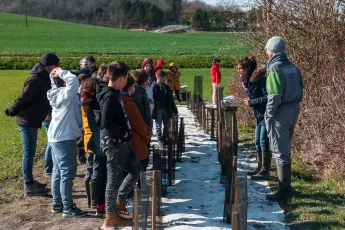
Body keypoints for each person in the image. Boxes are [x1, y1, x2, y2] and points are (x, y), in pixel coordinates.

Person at [5, 52, 59, 196]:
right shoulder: (35, 79)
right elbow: (23, 98)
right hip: (27, 121)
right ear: (48, 66)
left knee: (31, 153)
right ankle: (29, 186)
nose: (56, 69)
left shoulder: (43, 77)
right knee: (28, 154)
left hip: (33, 120)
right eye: (54, 66)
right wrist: (11, 110)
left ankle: (31, 182)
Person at [97, 62, 143, 229]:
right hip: (114, 143)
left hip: (122, 143)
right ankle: (110, 217)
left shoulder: (113, 92)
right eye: (126, 77)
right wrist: (122, 132)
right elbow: (106, 122)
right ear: (121, 78)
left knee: (136, 169)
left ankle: (120, 203)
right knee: (114, 180)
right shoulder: (109, 96)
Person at [264, 36, 303, 202]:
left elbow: (274, 95)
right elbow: (301, 89)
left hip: (280, 111)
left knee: (280, 150)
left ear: (271, 50)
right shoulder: (293, 67)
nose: (266, 52)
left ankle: (284, 189)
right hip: (293, 108)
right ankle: (286, 186)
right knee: (286, 147)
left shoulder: (274, 67)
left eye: (266, 49)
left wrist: (269, 113)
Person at [47, 67, 87, 217]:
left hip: (55, 137)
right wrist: (62, 72)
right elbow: (73, 81)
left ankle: (58, 204)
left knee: (58, 172)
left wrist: (56, 76)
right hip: (64, 138)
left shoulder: (56, 92)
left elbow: (70, 83)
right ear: (64, 81)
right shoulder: (66, 93)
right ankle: (68, 208)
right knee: (67, 174)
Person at [237, 57, 271, 180]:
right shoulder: (247, 81)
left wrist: (252, 101)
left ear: (248, 69)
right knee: (257, 142)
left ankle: (265, 170)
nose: (239, 71)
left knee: (263, 141)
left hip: (265, 113)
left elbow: (268, 97)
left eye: (241, 68)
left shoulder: (261, 80)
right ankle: (259, 167)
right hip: (258, 114)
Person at [81, 78, 105, 216]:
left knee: (89, 172)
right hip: (93, 140)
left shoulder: (84, 101)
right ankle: (95, 202)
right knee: (95, 172)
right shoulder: (90, 103)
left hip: (87, 140)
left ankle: (91, 200)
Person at [120, 76, 152, 172]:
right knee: (141, 164)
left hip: (128, 139)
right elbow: (138, 124)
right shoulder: (129, 103)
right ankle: (138, 186)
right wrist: (147, 135)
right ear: (130, 87)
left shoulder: (123, 99)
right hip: (135, 140)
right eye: (133, 86)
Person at [153, 70, 178, 146]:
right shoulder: (154, 87)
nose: (166, 79)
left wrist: (174, 109)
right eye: (164, 78)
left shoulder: (166, 87)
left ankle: (165, 138)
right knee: (158, 125)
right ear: (159, 78)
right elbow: (154, 98)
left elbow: (171, 99)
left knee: (167, 125)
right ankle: (160, 139)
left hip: (167, 109)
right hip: (158, 109)